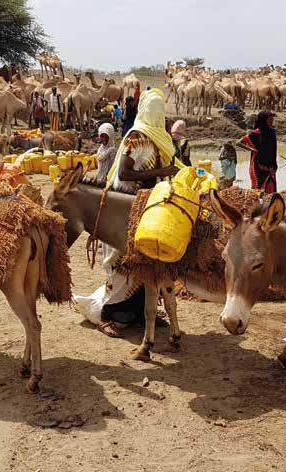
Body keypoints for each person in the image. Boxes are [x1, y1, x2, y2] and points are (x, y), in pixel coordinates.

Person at [77, 88, 182, 337]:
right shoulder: (137, 136)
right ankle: (106, 316)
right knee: (122, 263)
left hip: (143, 208)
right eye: (154, 110)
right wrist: (161, 174)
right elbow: (124, 173)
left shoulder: (158, 138)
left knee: (145, 262)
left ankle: (138, 314)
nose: (157, 114)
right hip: (124, 208)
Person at [236, 110, 278, 194]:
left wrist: (274, 164)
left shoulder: (272, 132)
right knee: (258, 190)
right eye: (269, 120)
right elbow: (239, 142)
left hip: (270, 166)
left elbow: (274, 148)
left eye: (272, 120)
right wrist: (251, 149)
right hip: (257, 166)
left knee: (271, 190)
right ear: (263, 120)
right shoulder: (255, 133)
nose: (271, 122)